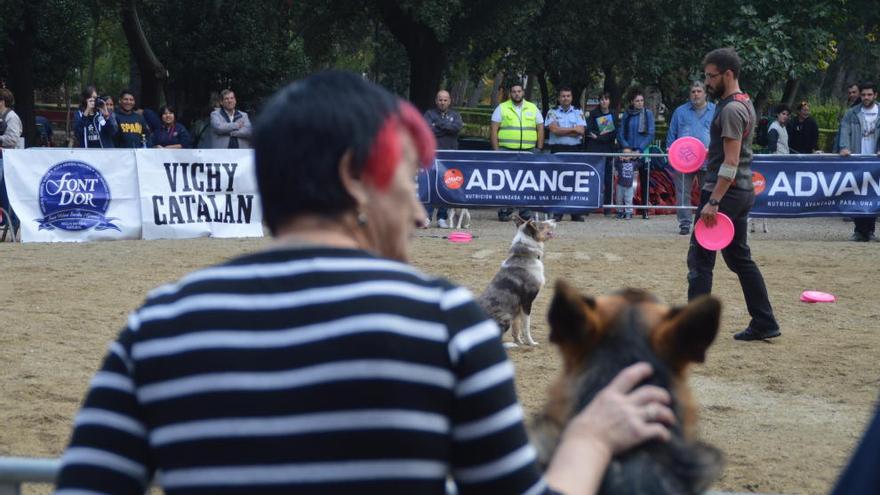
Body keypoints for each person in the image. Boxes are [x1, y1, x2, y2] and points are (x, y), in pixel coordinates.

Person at [54, 71, 674, 495]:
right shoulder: (446, 328)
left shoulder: (157, 325)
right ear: (356, 178)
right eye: (407, 183)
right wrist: (590, 437)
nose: (421, 213)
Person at [687, 47, 780, 342]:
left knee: (700, 261)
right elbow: (727, 155)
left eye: (711, 76)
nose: (707, 82)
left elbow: (730, 162)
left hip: (724, 193)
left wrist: (713, 201)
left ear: (728, 74)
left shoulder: (729, 109)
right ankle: (765, 321)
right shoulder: (744, 103)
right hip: (741, 191)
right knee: (740, 258)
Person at [666, 81, 715, 235]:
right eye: (693, 91)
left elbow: (721, 135)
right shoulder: (680, 112)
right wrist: (670, 154)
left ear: (705, 93)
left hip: (707, 160)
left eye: (699, 91)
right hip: (683, 162)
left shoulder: (715, 110)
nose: (696, 94)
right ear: (689, 94)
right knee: (682, 193)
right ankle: (685, 224)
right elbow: (671, 135)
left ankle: (704, 222)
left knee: (707, 192)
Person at [491, 82, 543, 221]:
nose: (517, 94)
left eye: (519, 91)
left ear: (523, 92)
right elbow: (494, 130)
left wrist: (539, 148)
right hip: (507, 151)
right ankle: (505, 211)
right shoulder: (501, 108)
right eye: (514, 91)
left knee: (527, 183)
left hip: (528, 151)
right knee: (506, 182)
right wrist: (496, 150)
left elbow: (540, 128)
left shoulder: (533, 108)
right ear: (510, 93)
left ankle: (525, 212)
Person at [839, 82, 880, 242]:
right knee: (856, 195)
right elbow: (844, 130)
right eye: (863, 95)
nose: (866, 98)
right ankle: (859, 230)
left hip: (875, 162)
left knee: (873, 196)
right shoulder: (852, 113)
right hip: (857, 159)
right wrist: (844, 147)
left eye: (869, 94)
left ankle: (869, 231)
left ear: (875, 95)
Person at [546, 86, 587, 221]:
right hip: (557, 149)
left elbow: (581, 131)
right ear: (559, 98)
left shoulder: (578, 112)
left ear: (571, 97)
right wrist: (572, 129)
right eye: (563, 96)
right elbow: (554, 130)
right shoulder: (552, 112)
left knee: (573, 181)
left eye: (568, 96)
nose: (565, 98)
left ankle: (574, 212)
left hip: (573, 149)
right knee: (558, 181)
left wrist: (562, 129)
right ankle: (558, 212)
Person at [423, 89, 463, 228]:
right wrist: (446, 127)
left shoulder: (455, 115)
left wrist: (438, 124)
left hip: (450, 156)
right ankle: (427, 217)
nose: (442, 102)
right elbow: (427, 130)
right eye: (440, 99)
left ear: (449, 101)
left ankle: (442, 217)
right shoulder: (429, 114)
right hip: (432, 155)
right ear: (436, 101)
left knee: (447, 186)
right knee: (430, 187)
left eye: (445, 100)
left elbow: (456, 129)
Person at [618, 89, 655, 219]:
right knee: (625, 181)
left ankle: (644, 209)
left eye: (641, 101)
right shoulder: (627, 114)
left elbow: (650, 134)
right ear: (632, 102)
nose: (640, 103)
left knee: (644, 180)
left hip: (642, 151)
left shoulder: (648, 114)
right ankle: (625, 209)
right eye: (637, 101)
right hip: (628, 151)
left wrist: (639, 149)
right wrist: (626, 147)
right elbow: (621, 132)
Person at [585, 92, 619, 216]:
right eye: (602, 99)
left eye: (606, 99)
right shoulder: (593, 114)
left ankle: (607, 208)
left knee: (608, 179)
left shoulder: (614, 114)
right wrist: (601, 136)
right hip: (594, 150)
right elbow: (588, 130)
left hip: (608, 150)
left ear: (609, 101)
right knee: (593, 179)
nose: (604, 101)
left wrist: (598, 137)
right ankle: (589, 206)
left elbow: (613, 134)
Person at [0, 87, 24, 232]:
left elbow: (12, 139)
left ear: (2, 102)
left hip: (6, 160)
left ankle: (12, 222)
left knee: (5, 193)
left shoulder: (12, 117)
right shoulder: (3, 116)